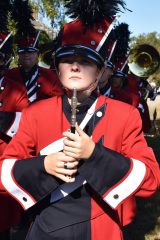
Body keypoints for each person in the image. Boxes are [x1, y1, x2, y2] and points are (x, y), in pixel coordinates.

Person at [0, 1, 160, 240]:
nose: (74, 66)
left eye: (85, 61)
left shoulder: (124, 114)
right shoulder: (37, 113)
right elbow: (4, 172)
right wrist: (43, 165)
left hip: (100, 228)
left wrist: (94, 155)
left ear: (99, 70)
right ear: (57, 68)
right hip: (46, 226)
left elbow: (151, 180)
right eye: (66, 60)